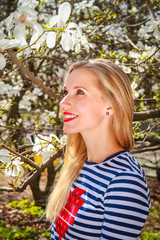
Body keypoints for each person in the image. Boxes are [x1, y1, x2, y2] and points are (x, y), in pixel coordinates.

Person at [46, 59, 150, 240]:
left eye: (79, 92)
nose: (63, 103)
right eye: (65, 92)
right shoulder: (76, 162)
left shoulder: (125, 182)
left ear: (112, 104)